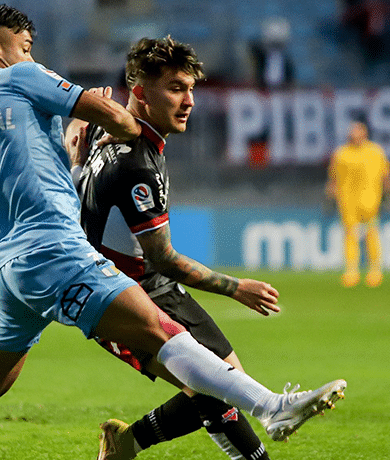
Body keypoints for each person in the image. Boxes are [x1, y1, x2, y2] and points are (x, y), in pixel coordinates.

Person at [0, 4, 345, 460]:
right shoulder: (18, 75)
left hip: (7, 262)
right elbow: (122, 120)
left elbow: (34, 174)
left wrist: (72, 154)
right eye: (24, 47)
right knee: (165, 334)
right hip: (54, 250)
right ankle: (272, 407)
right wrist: (103, 118)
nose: (30, 56)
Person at [64, 36, 286, 460]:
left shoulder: (101, 129)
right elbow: (163, 256)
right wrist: (236, 287)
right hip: (127, 299)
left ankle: (124, 443)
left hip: (154, 287)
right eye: (175, 89)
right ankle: (127, 443)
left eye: (190, 89)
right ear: (142, 95)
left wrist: (75, 159)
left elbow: (86, 197)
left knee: (221, 384)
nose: (188, 101)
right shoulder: (136, 164)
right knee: (219, 387)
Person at [325, 121, 390, 288]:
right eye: (352, 132)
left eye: (357, 131)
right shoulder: (341, 153)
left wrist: (389, 194)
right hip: (347, 201)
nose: (354, 135)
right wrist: (329, 197)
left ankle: (375, 270)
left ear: (364, 134)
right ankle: (351, 271)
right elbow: (333, 178)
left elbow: (385, 175)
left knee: (371, 233)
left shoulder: (375, 151)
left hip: (370, 200)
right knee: (350, 234)